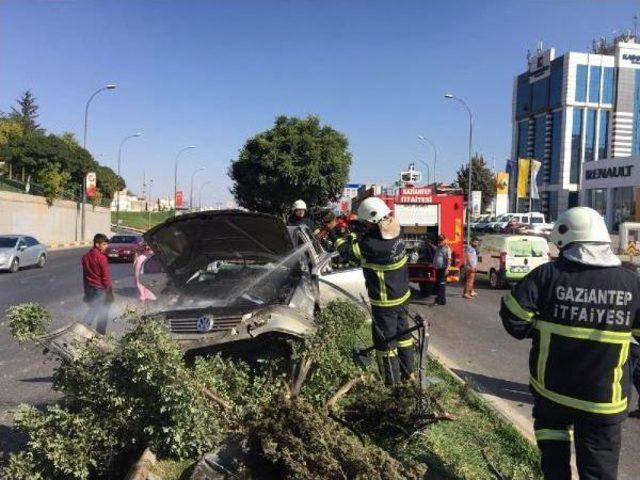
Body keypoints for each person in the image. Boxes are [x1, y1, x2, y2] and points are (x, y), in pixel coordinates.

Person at [500, 207, 640, 480]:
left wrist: (539, 329)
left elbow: (512, 318)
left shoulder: (547, 275)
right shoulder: (631, 284)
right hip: (603, 403)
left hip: (551, 394)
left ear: (566, 240)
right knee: (598, 473)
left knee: (554, 466)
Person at [335, 197, 414, 385]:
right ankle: (409, 375)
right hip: (402, 297)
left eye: (365, 222)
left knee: (385, 344)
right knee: (403, 337)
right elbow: (371, 239)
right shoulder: (396, 230)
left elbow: (348, 252)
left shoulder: (371, 244)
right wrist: (359, 233)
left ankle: (391, 384)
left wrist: (338, 235)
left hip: (384, 304)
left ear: (371, 220)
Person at [81, 233, 113, 334]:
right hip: (100, 289)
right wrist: (109, 292)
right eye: (104, 244)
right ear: (97, 244)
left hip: (89, 288)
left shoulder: (85, 257)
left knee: (94, 309)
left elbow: (85, 276)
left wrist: (86, 292)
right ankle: (100, 334)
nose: (106, 246)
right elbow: (105, 277)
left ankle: (82, 329)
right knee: (103, 311)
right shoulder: (102, 258)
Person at [433, 235, 451, 305]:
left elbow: (449, 260)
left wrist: (447, 269)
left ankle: (441, 300)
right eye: (439, 240)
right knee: (438, 284)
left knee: (441, 285)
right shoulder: (439, 248)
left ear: (444, 240)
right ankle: (440, 299)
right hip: (438, 269)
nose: (440, 241)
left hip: (443, 269)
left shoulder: (446, 248)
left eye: (441, 240)